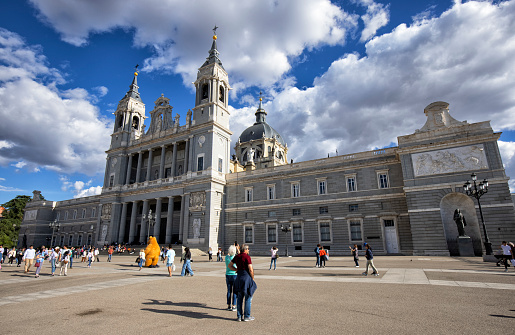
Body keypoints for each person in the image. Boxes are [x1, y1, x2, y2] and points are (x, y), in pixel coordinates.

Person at [228, 244, 257, 322]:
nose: (248, 250)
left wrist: (236, 270)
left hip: (239, 278)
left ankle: (239, 316)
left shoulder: (237, 256)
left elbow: (230, 265)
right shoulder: (247, 257)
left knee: (239, 298)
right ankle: (247, 316)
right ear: (245, 250)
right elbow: (250, 269)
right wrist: (253, 278)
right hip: (246, 278)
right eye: (248, 249)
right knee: (248, 297)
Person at [225, 245, 238, 311]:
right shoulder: (235, 257)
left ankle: (229, 305)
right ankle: (234, 305)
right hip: (234, 275)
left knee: (229, 291)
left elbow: (228, 254)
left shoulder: (226, 257)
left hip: (227, 275)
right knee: (235, 291)